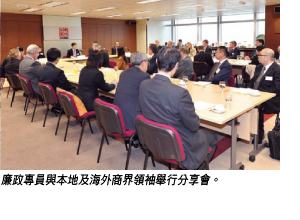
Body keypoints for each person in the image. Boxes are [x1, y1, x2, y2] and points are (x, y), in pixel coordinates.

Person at [139, 47, 218, 170]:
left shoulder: (143, 85)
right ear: (176, 66)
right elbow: (194, 125)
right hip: (177, 143)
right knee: (212, 137)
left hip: (152, 138)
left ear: (156, 62)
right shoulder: (180, 93)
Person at [114, 52, 150, 130]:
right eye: (148, 63)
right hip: (131, 119)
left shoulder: (124, 73)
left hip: (117, 116)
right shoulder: (144, 76)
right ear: (143, 63)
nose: (148, 65)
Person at [250, 48, 280, 144]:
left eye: (260, 55)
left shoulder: (277, 70)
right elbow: (253, 83)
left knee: (256, 108)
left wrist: (260, 95)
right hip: (255, 95)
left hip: (272, 99)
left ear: (267, 57)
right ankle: (244, 130)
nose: (257, 56)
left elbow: (276, 88)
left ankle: (259, 135)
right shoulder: (259, 67)